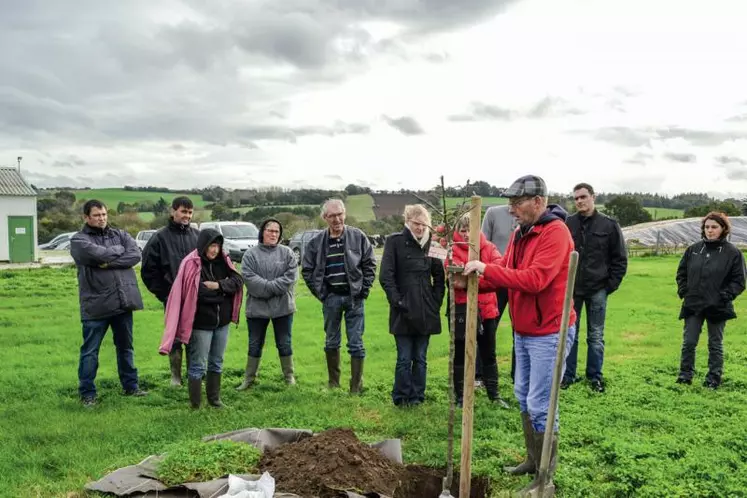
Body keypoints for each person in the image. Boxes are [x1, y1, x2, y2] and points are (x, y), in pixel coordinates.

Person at [463, 175, 576, 495]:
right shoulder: (520, 233)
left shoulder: (555, 233)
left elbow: (535, 279)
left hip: (549, 330)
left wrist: (484, 268)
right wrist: (472, 281)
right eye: (510, 203)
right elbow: (507, 276)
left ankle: (545, 477)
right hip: (525, 329)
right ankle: (532, 459)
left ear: (538, 202)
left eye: (517, 203)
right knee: (524, 395)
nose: (511, 209)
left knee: (541, 404)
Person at [70, 200, 148, 407]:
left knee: (126, 348)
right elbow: (93, 254)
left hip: (122, 302)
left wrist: (107, 262)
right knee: (90, 351)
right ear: (86, 217)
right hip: (96, 305)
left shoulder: (120, 235)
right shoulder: (79, 240)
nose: (102, 218)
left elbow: (135, 255)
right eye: (97, 215)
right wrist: (117, 251)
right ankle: (87, 394)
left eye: (104, 214)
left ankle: (131, 387)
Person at [159, 228, 244, 409]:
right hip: (201, 324)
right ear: (203, 245)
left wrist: (217, 286)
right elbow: (198, 293)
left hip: (222, 322)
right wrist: (223, 293)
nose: (215, 250)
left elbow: (237, 281)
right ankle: (196, 404)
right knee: (198, 364)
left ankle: (215, 400)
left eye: (218, 246)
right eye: (211, 246)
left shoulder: (224, 261)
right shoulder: (191, 263)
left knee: (217, 361)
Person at [302, 199, 377, 394]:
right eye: (332, 216)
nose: (337, 219)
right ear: (325, 218)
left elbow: (370, 265)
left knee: (356, 343)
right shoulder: (316, 243)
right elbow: (307, 270)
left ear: (345, 214)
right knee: (331, 341)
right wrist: (322, 294)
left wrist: (364, 290)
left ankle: (356, 387)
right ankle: (334, 384)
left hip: (354, 298)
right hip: (331, 298)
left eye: (339, 214)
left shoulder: (358, 237)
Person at [561, 183, 628, 393]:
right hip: (573, 289)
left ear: (593, 197)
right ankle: (567, 375)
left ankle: (594, 377)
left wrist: (609, 286)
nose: (579, 201)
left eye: (583, 197)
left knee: (596, 335)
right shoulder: (567, 224)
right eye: (576, 198)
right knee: (570, 333)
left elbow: (620, 259)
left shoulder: (609, 225)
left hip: (598, 288)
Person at [379, 205, 445, 407]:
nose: (420, 228)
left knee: (421, 358)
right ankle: (401, 397)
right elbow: (386, 276)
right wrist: (398, 301)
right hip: (403, 311)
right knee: (404, 358)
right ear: (407, 222)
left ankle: (417, 397)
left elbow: (440, 278)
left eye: (424, 224)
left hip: (426, 310)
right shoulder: (394, 242)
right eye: (416, 223)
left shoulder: (433, 246)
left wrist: (435, 302)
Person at [676, 212, 745, 389]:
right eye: (707, 227)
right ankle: (685, 375)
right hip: (693, 304)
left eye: (714, 227)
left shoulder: (733, 253)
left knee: (715, 344)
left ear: (723, 229)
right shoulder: (694, 249)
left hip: (718, 306)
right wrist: (685, 292)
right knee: (689, 342)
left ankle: (713, 378)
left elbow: (739, 281)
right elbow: (681, 273)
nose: (710, 230)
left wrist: (725, 296)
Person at [450, 213, 509, 408]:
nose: (466, 235)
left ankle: (494, 394)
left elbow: (498, 277)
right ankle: (460, 396)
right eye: (463, 230)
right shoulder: (454, 251)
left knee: (488, 352)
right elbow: (454, 280)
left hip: (487, 310)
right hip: (461, 309)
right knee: (460, 352)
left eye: (470, 230)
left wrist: (472, 282)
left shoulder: (490, 249)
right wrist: (476, 279)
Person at [141, 196, 199, 386]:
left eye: (190, 212)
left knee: (193, 337)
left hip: (195, 298)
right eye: (183, 211)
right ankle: (175, 376)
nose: (187, 216)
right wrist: (165, 294)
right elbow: (149, 270)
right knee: (174, 337)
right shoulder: (159, 237)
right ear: (173, 211)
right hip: (172, 298)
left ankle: (194, 375)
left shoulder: (197, 237)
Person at [237, 218, 298, 390]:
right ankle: (249, 378)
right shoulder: (250, 255)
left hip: (283, 308)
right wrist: (272, 287)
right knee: (255, 343)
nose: (273, 234)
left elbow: (290, 278)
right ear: (262, 231)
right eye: (270, 230)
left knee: (284, 342)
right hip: (257, 309)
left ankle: (289, 376)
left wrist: (267, 287)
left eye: (277, 231)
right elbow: (249, 279)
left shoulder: (287, 253)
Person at [482, 203, 519, 382]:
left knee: (519, 329)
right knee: (488, 327)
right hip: (496, 277)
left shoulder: (527, 217)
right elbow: (483, 244)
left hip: (518, 280)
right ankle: (482, 374)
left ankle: (518, 374)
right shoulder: (493, 213)